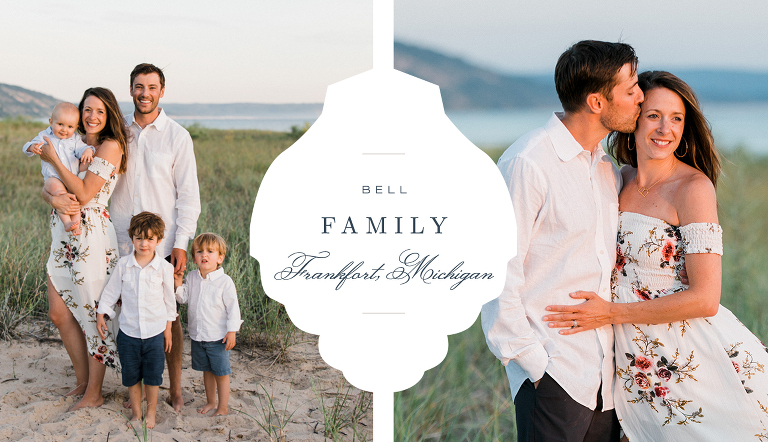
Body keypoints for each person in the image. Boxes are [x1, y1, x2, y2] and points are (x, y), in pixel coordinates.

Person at [544, 71, 768, 440]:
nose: (665, 128)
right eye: (653, 115)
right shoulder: (616, 179)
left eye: (676, 118)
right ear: (634, 119)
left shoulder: (693, 188)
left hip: (692, 357)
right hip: (636, 366)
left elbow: (706, 298)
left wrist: (611, 312)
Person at [480, 40, 644, 442]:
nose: (641, 97)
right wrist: (537, 368)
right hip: (555, 378)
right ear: (596, 102)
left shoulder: (605, 169)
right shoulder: (527, 162)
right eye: (631, 88)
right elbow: (495, 276)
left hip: (604, 382)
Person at [110, 63, 201, 412]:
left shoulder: (177, 136)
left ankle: (174, 388)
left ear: (162, 91)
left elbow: (188, 196)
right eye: (138, 86)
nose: (144, 93)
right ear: (131, 90)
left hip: (162, 244)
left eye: (151, 87)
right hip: (120, 239)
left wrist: (180, 243)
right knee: (123, 311)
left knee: (169, 315)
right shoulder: (118, 133)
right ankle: (129, 381)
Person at [39, 87, 129, 411]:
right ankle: (82, 380)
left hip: (90, 234)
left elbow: (86, 193)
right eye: (87, 109)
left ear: (109, 117)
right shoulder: (71, 142)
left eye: (100, 112)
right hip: (62, 233)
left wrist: (52, 158)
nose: (92, 116)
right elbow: (49, 184)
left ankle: (95, 391)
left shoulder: (111, 146)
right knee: (59, 312)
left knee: (94, 315)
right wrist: (51, 196)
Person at [96, 212, 176, 428]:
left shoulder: (164, 268)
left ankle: (151, 413)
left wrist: (168, 330)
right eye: (139, 237)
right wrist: (101, 312)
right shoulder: (123, 265)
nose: (144, 243)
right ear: (132, 238)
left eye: (150, 239)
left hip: (155, 332)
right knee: (131, 376)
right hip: (129, 333)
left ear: (159, 241)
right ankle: (137, 413)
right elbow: (111, 292)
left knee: (153, 376)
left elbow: (170, 302)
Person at [174, 233, 242, 416]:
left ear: (220, 257)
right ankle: (212, 402)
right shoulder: (192, 278)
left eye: (210, 251)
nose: (204, 255)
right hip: (198, 336)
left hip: (218, 337)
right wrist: (178, 282)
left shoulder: (225, 282)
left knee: (221, 373)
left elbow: (233, 309)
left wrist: (232, 331)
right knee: (207, 371)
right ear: (194, 258)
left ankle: (223, 407)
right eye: (199, 251)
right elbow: (183, 298)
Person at [24, 102, 95, 234]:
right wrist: (31, 147)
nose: (64, 129)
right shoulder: (45, 135)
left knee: (74, 200)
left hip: (70, 178)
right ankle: (67, 222)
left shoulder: (75, 139)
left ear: (76, 127)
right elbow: (29, 145)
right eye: (60, 124)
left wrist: (88, 151)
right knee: (61, 195)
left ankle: (76, 225)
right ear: (51, 122)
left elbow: (82, 148)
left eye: (69, 126)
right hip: (53, 178)